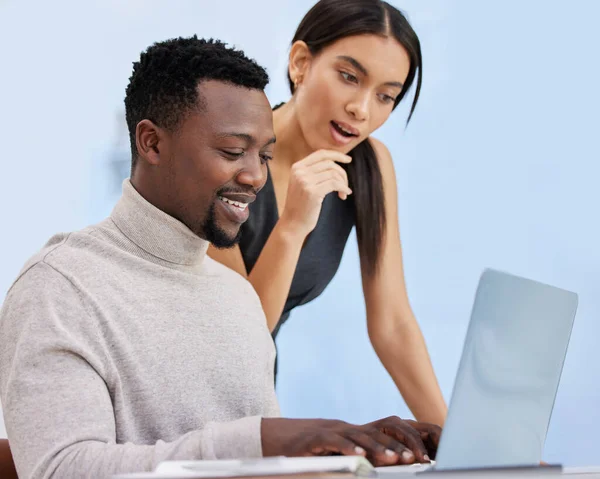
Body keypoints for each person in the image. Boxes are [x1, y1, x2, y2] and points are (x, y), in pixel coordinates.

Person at [0, 36, 440, 479]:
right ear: (152, 144)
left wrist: (344, 451)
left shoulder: (235, 295)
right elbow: (61, 470)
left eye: (264, 156)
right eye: (233, 152)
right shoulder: (58, 289)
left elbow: (246, 463)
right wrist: (269, 440)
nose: (254, 176)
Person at [207, 0, 448, 427]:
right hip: (178, 398)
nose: (362, 109)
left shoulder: (369, 165)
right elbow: (237, 340)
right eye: (349, 77)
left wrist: (465, 449)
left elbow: (392, 325)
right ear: (301, 63)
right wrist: (293, 226)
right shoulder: (222, 160)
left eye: (386, 95)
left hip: (253, 400)